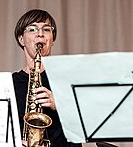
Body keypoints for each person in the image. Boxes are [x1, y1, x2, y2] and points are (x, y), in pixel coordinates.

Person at [12, 9, 82, 147]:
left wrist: (59, 104)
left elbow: (89, 122)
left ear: (52, 39)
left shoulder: (70, 78)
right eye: (32, 29)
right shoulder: (10, 83)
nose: (40, 34)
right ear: (21, 39)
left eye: (46, 29)